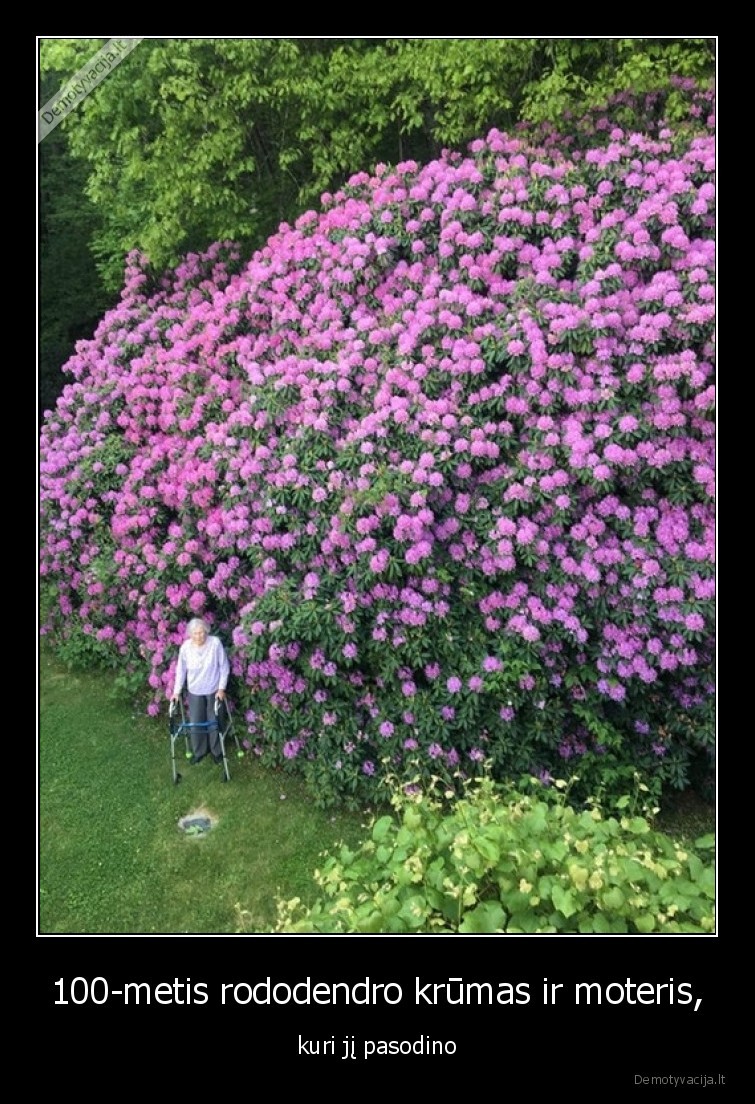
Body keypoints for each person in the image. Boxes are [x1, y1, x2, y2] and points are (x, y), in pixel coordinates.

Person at [171, 618, 230, 765]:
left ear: (207, 632)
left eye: (202, 632)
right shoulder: (185, 648)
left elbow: (224, 666)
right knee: (196, 722)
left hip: (213, 689)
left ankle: (217, 751)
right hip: (195, 690)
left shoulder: (215, 643)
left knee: (214, 721)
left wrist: (221, 688)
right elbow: (181, 671)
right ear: (190, 634)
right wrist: (176, 692)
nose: (200, 636)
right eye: (196, 633)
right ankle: (199, 751)